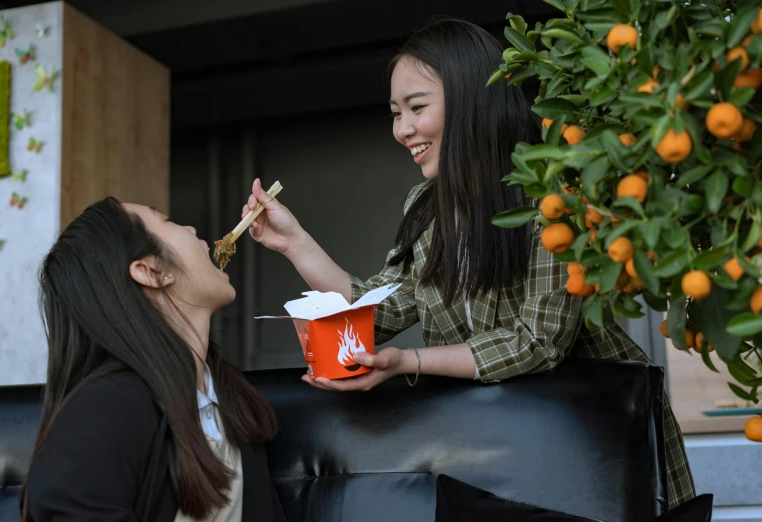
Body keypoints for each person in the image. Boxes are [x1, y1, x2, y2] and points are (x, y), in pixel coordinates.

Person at [240, 17, 695, 510]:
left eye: (416, 107)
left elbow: (538, 341)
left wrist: (406, 364)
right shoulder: (425, 205)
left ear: (471, 99)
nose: (402, 129)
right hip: (493, 441)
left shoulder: (552, 190)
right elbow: (381, 311)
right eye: (395, 113)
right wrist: (293, 243)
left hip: (593, 435)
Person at [22, 197, 285, 522]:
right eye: (169, 222)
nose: (190, 228)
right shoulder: (105, 409)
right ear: (152, 271)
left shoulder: (230, 399)